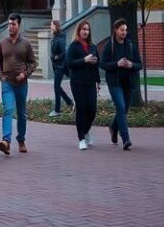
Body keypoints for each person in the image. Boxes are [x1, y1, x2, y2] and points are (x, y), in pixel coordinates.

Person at [0, 13, 37, 155]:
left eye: (13, 24)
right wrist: (1, 76)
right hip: (7, 83)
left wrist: (24, 74)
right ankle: (6, 141)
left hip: (21, 84)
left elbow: (33, 62)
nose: (10, 27)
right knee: (7, 109)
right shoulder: (3, 43)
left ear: (19, 25)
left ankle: (21, 140)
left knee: (21, 113)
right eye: (9, 24)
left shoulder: (26, 43)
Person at [101, 18, 142, 150]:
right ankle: (126, 139)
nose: (124, 32)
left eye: (125, 30)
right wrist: (116, 64)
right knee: (120, 106)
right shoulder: (110, 45)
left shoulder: (130, 45)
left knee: (124, 109)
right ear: (115, 30)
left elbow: (139, 64)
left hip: (127, 82)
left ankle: (113, 127)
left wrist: (131, 65)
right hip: (114, 82)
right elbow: (103, 64)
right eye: (121, 30)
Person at [66, 20, 101, 150]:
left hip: (91, 81)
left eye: (87, 29)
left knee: (92, 109)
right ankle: (81, 138)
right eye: (83, 29)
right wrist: (84, 60)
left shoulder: (93, 46)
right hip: (77, 82)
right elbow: (69, 63)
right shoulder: (74, 46)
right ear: (79, 31)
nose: (86, 31)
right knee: (81, 109)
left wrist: (98, 80)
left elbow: (97, 64)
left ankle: (86, 131)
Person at [49, 20, 74, 117]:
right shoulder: (56, 37)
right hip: (56, 66)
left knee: (56, 87)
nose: (50, 26)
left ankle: (57, 110)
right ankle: (69, 102)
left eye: (51, 25)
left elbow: (64, 52)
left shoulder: (60, 38)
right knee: (57, 87)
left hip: (60, 66)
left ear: (55, 26)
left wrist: (56, 57)